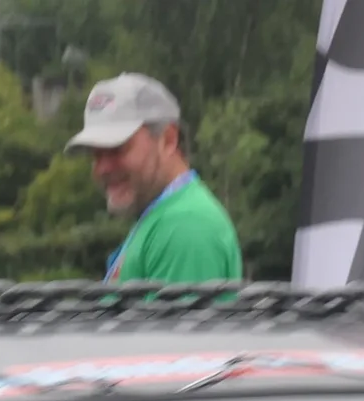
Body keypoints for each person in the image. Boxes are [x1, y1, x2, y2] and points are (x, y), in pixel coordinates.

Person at [66, 74, 242, 285]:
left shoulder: (184, 227)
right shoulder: (161, 218)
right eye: (96, 154)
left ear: (168, 140)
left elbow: (181, 320)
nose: (102, 168)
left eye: (116, 149)